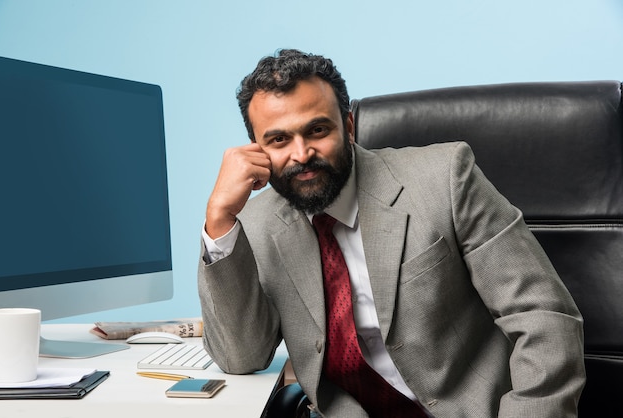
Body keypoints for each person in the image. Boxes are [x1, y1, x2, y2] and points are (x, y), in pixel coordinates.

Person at [198, 49, 585, 417]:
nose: (301, 154)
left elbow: (544, 317)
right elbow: (242, 357)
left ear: (348, 126)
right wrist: (219, 218)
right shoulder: (256, 222)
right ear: (257, 148)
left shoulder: (445, 177)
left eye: (317, 130)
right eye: (279, 139)